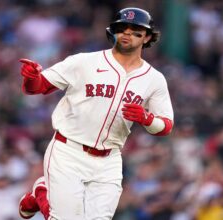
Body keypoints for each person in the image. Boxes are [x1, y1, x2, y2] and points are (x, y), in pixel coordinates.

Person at [18, 7, 174, 220]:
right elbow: (37, 87)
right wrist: (30, 77)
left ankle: (41, 193)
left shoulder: (154, 79)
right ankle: (42, 193)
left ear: (147, 37)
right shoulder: (84, 62)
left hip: (109, 159)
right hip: (69, 150)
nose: (127, 33)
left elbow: (166, 125)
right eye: (122, 28)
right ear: (114, 32)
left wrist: (146, 119)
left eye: (135, 30)